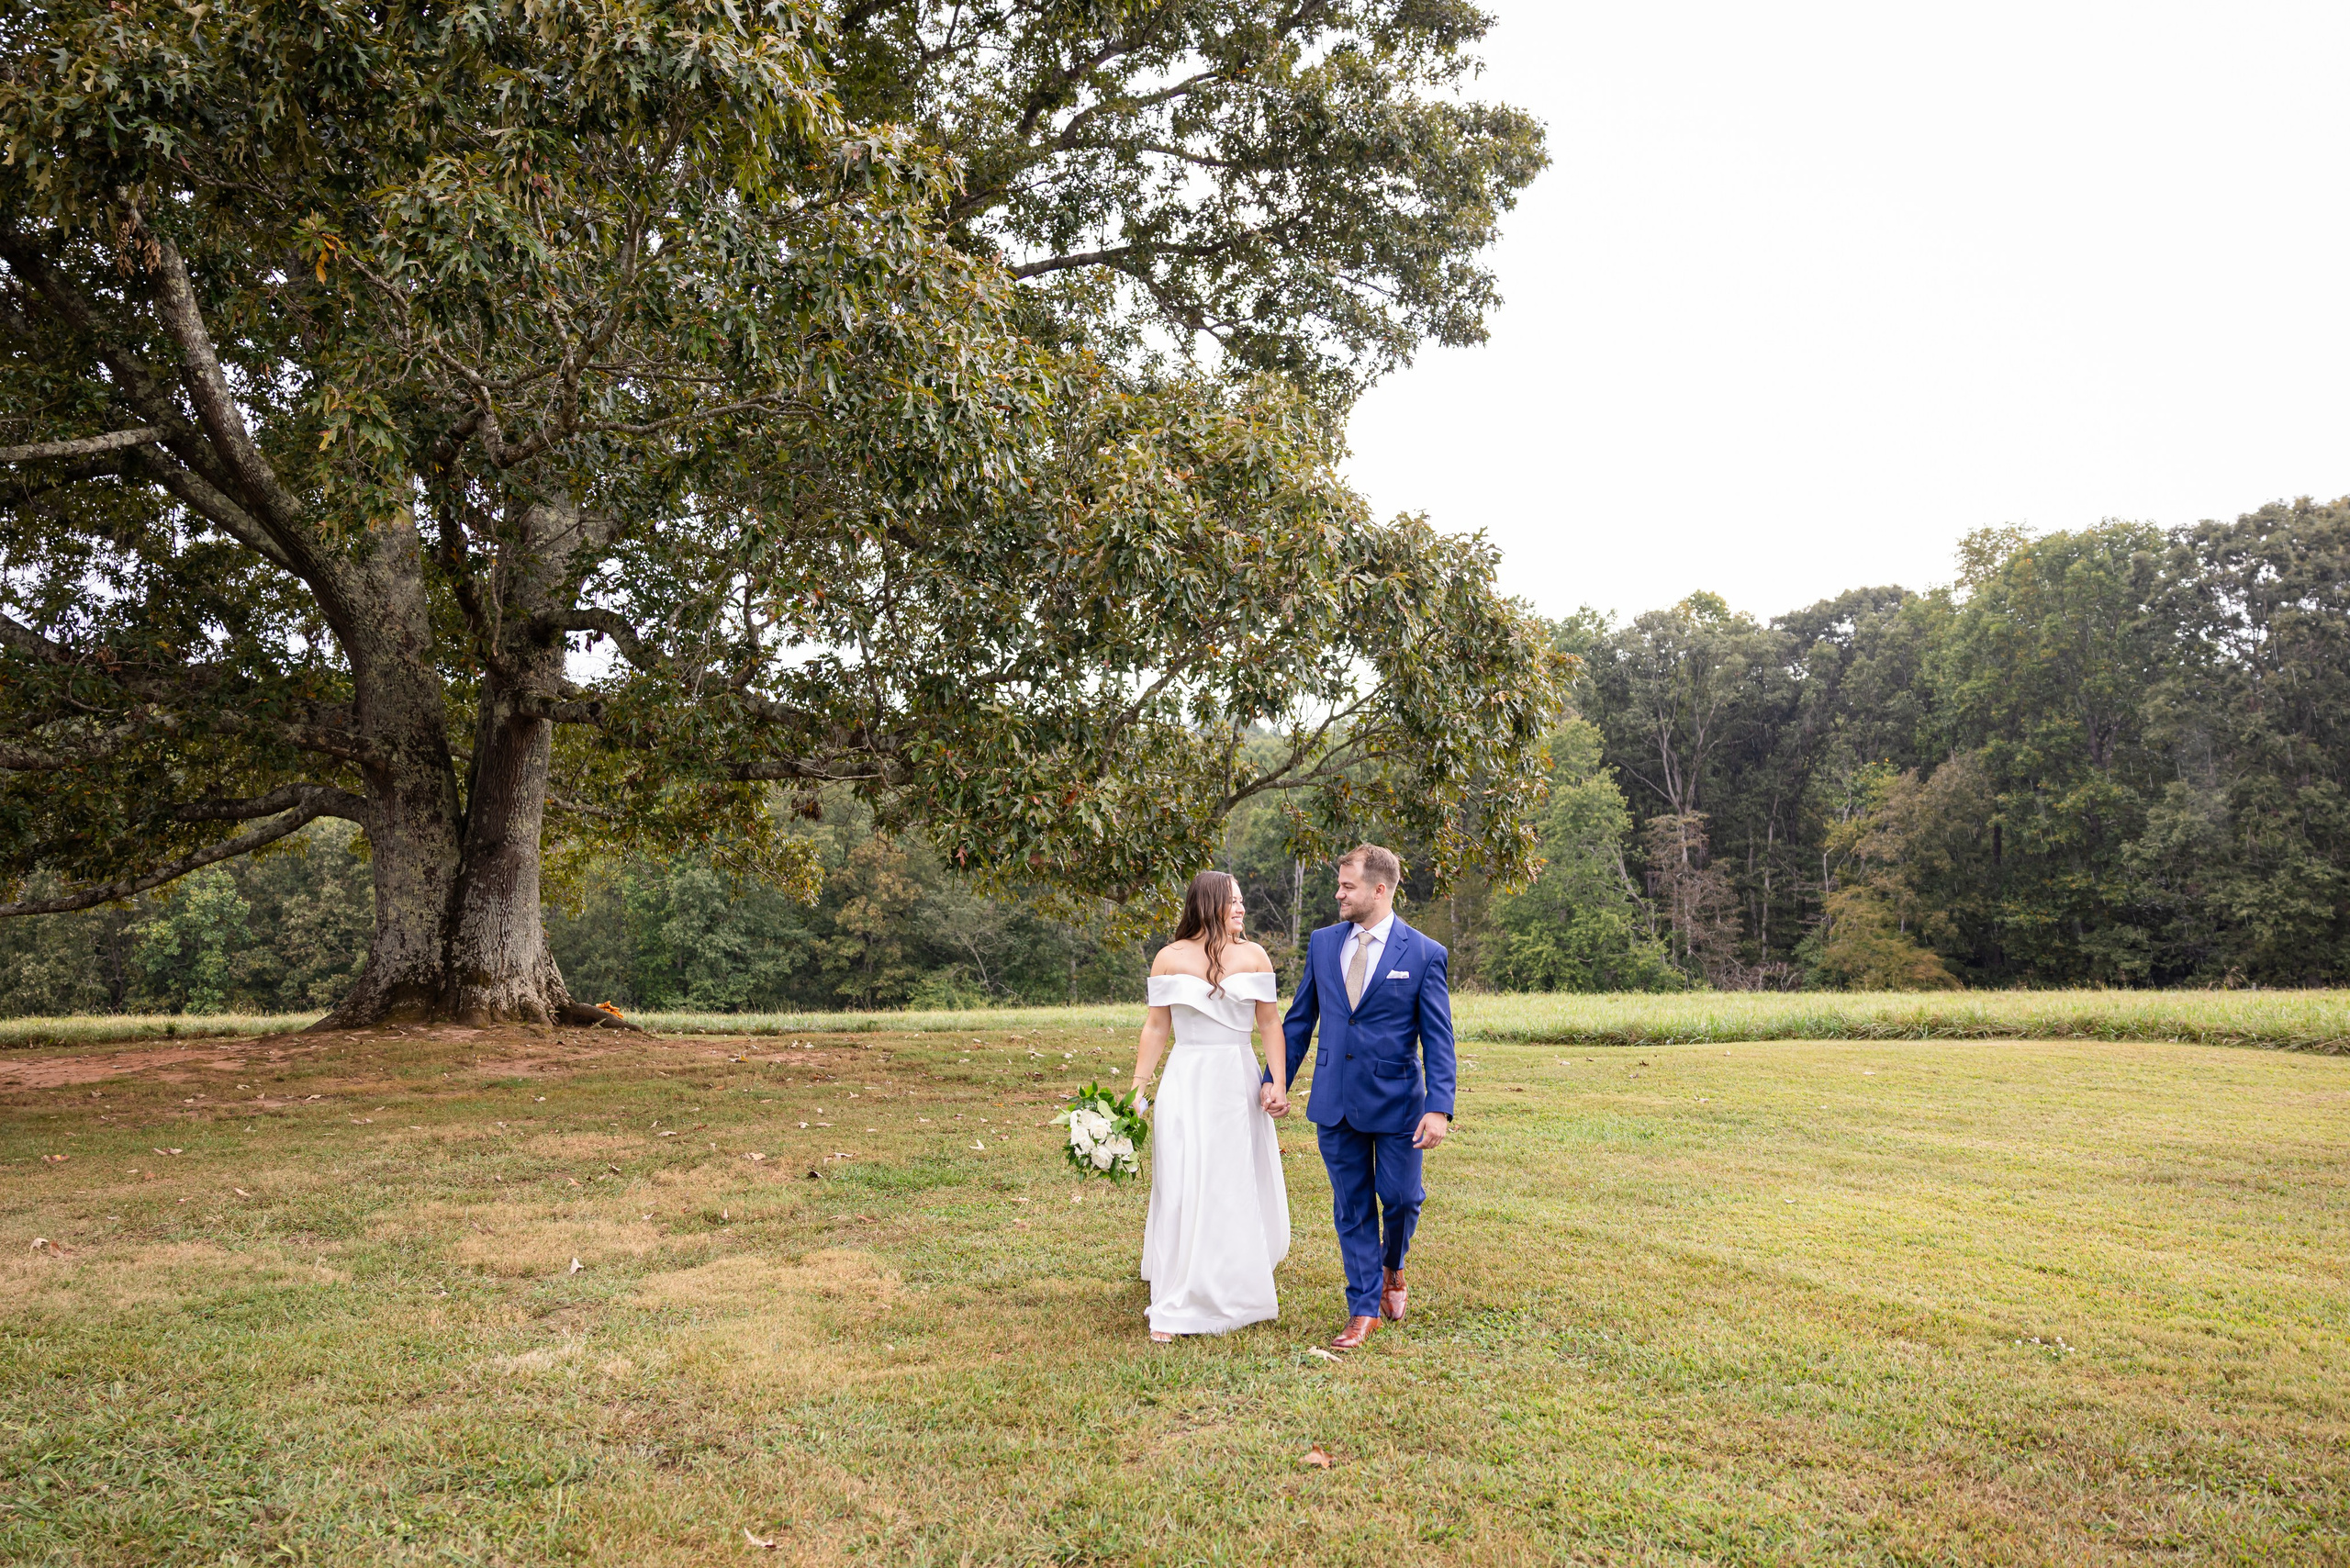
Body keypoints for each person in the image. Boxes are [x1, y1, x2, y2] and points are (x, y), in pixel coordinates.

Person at [1262, 844, 1455, 1352]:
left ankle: (1394, 1266)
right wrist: (1274, 1077)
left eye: (1347, 886)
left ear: (1379, 889)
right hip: (1334, 1099)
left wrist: (1438, 1106)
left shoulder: (1423, 954)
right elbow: (1300, 1019)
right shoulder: (1324, 943)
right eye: (1339, 885)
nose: (1339, 894)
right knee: (1351, 1208)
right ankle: (1363, 1307)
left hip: (1399, 1105)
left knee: (1401, 1197)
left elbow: (1438, 1038)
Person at [1131, 869, 1292, 1342]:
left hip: (1235, 1078)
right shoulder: (1169, 957)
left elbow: (1268, 1024)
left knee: (1229, 1177)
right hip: (1187, 1077)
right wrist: (1138, 1087)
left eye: (1242, 902)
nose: (1242, 909)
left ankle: (1232, 1277)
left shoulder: (1253, 955)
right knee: (1182, 1176)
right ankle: (1179, 1285)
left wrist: (1277, 1081)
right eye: (1233, 901)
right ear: (1207, 904)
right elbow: (1156, 1027)